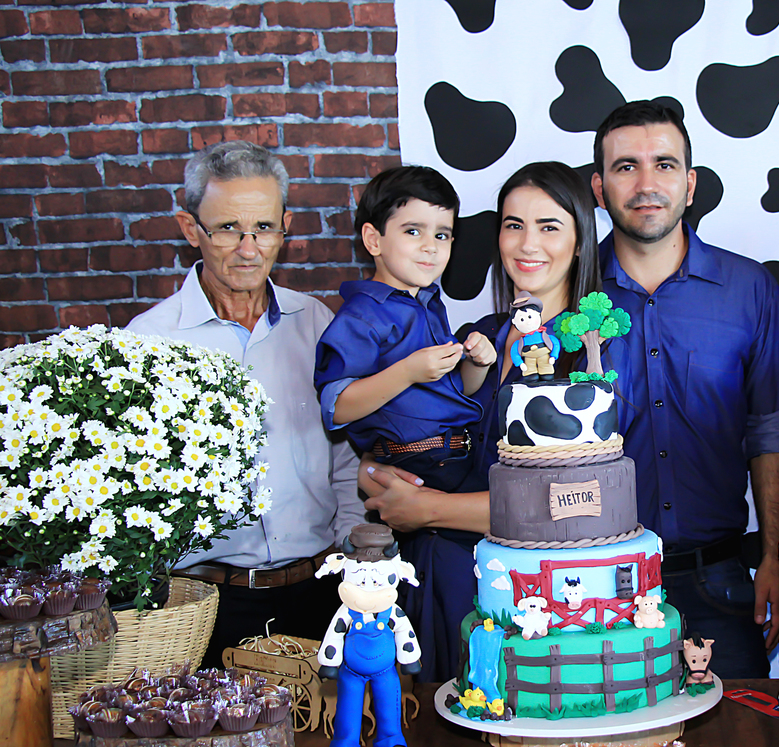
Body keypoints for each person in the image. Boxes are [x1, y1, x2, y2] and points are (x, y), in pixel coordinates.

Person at [358, 161, 603, 683]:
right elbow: (413, 430)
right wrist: (376, 469)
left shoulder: (597, 351)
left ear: (581, 241)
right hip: (432, 580)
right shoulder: (476, 338)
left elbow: (581, 502)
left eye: (549, 226)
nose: (527, 243)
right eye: (514, 225)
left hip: (531, 598)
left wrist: (429, 509)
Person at [126, 141, 366, 666]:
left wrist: (350, 552)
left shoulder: (319, 324)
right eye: (228, 228)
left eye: (264, 228)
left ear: (285, 227)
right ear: (191, 229)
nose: (248, 248)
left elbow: (347, 455)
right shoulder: (147, 342)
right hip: (206, 605)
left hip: (320, 592)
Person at [590, 100, 779, 679]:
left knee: (741, 734)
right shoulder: (568, 291)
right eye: (626, 167)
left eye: (664, 164)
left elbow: (767, 431)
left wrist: (773, 558)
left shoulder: (749, 288)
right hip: (594, 584)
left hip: (720, 582)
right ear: (600, 189)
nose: (646, 184)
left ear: (690, 183)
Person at [313, 166, 496, 495]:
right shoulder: (362, 316)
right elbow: (336, 408)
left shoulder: (430, 304)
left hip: (456, 454)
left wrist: (476, 363)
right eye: (413, 231)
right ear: (374, 240)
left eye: (441, 235)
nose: (431, 247)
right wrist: (408, 372)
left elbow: (457, 390)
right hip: (414, 463)